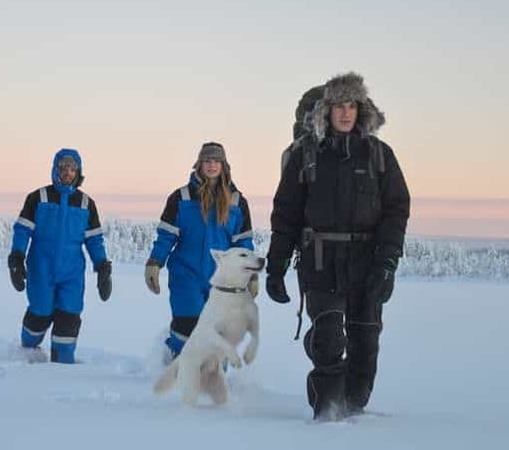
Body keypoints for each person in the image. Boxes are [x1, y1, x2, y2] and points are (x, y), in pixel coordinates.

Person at [266, 73, 410, 421]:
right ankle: (327, 413)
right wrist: (276, 266)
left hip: (366, 260)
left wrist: (387, 263)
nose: (345, 113)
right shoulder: (306, 155)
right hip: (320, 261)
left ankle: (354, 408)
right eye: (338, 106)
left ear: (361, 110)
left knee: (365, 341)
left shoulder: (379, 155)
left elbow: (396, 210)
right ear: (326, 111)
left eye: (351, 106)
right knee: (329, 337)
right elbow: (285, 213)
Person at [145, 142, 255, 360]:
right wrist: (155, 262)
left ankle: (215, 374)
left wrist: (250, 274)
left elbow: (243, 243)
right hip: (186, 275)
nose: (212, 165)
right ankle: (177, 365)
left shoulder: (237, 201)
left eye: (216, 161)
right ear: (199, 164)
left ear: (224, 166)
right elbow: (166, 236)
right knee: (187, 325)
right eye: (207, 161)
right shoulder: (181, 198)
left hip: (222, 279)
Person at [8, 148, 112, 364]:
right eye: (63, 167)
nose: (68, 172)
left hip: (71, 273)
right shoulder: (38, 198)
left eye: (72, 168)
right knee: (40, 312)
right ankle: (27, 351)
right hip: (41, 268)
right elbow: (23, 230)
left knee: (69, 317)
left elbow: (94, 240)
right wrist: (16, 258)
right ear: (55, 169)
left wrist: (103, 266)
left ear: (78, 172)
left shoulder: (86, 204)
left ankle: (63, 368)